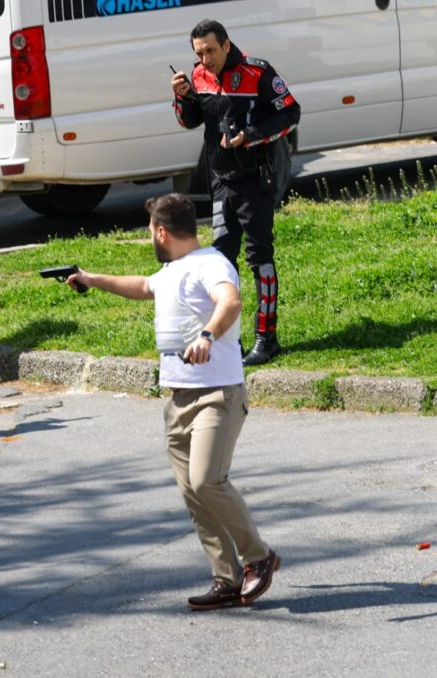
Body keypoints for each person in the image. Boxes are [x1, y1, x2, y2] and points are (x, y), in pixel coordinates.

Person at [64, 193, 280, 611]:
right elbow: (143, 286)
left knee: (207, 481)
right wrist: (91, 278)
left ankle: (260, 557)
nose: (150, 237)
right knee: (194, 494)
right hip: (178, 398)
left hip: (217, 394)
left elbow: (230, 301)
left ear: (161, 231)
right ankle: (226, 579)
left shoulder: (212, 263)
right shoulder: (171, 271)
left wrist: (206, 336)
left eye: (150, 230)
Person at [171, 19, 300, 365]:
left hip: (255, 179)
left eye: (210, 50)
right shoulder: (199, 75)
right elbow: (190, 120)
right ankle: (228, 340)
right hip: (220, 182)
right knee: (220, 262)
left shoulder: (257, 72)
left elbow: (291, 112)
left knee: (260, 258)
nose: (205, 59)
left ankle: (266, 338)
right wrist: (182, 99)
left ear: (227, 45)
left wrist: (251, 135)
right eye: (199, 53)